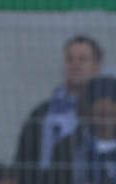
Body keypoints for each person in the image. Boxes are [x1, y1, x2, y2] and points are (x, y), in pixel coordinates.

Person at [13, 35, 102, 173]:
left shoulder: (105, 115)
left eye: (83, 59)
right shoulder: (41, 113)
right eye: (69, 59)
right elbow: (23, 161)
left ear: (96, 67)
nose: (75, 65)